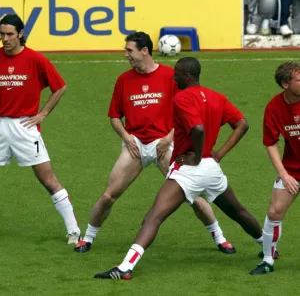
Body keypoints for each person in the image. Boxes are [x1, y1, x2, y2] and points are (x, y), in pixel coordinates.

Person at [93, 57, 264, 280]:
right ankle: (269, 247)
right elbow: (243, 124)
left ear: (188, 77)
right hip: (212, 169)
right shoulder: (216, 96)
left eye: (178, 74)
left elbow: (198, 129)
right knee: (238, 212)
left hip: (189, 169)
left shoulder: (181, 98)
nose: (174, 78)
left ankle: (125, 267)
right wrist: (218, 154)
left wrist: (196, 157)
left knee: (153, 218)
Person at [74, 32, 235, 254]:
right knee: (109, 195)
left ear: (144, 51)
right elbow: (114, 116)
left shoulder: (172, 77)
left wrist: (168, 138)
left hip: (165, 144)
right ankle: (88, 238)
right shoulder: (123, 80)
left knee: (193, 195)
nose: (126, 55)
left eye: (129, 50)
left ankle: (219, 237)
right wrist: (126, 136)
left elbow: (189, 112)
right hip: (135, 144)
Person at [0, 14, 80, 244]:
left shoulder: (35, 59)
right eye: (2, 34)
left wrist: (43, 113)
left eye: (10, 34)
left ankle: (73, 230)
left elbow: (59, 87)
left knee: (48, 180)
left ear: (21, 34)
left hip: (25, 127)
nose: (5, 39)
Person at [250, 62, 300, 275]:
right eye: (299, 79)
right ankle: (268, 261)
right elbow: (270, 143)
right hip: (292, 168)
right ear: (285, 84)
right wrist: (283, 174)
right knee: (274, 212)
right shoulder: (274, 107)